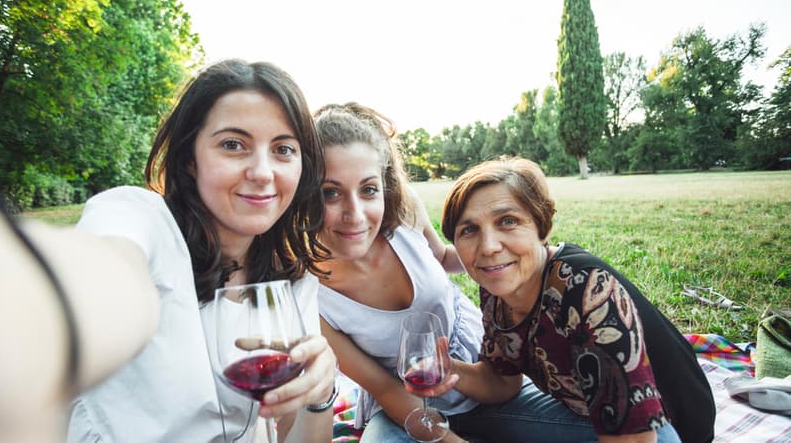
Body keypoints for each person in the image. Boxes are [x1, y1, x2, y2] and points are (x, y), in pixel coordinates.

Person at [66, 59, 337, 443]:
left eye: (283, 149)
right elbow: (102, 273)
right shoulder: (139, 218)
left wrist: (320, 395)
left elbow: (292, 431)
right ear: (190, 159)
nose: (262, 172)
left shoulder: (292, 282)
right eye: (233, 145)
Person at [312, 104, 596, 443]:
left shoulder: (402, 209)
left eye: (368, 189)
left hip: (483, 375)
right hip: (406, 403)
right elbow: (385, 388)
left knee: (639, 431)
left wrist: (515, 255)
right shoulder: (308, 293)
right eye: (330, 192)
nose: (355, 214)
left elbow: (446, 256)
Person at [436, 157, 715, 443]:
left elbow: (635, 439)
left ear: (542, 228)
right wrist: (450, 368)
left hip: (663, 429)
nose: (489, 247)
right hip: (585, 414)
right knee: (468, 420)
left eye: (508, 222)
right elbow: (503, 383)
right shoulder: (498, 285)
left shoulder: (588, 291)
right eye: (469, 230)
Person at [0, 162, 160, 443]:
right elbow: (119, 261)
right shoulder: (140, 212)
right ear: (188, 159)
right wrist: (44, 312)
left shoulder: (236, 262)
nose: (239, 169)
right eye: (230, 144)